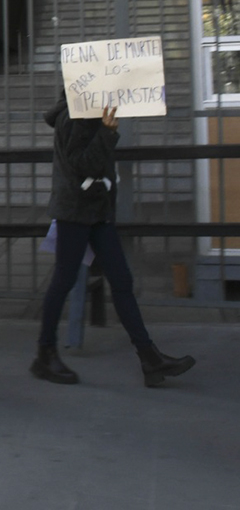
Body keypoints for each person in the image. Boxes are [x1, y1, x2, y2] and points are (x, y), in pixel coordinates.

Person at [31, 99, 195, 387]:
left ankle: (150, 359)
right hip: (75, 212)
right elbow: (82, 163)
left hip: (97, 211)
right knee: (64, 279)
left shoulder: (89, 110)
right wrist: (107, 132)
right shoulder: (73, 114)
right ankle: (45, 355)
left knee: (121, 280)